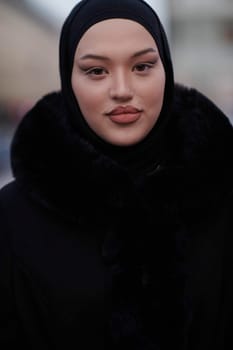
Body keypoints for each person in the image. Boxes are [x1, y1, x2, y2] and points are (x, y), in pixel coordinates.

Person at [0, 0, 233, 349]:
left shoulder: (223, 198)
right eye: (96, 71)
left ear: (165, 70)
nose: (122, 89)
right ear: (69, 78)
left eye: (142, 66)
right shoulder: (13, 216)